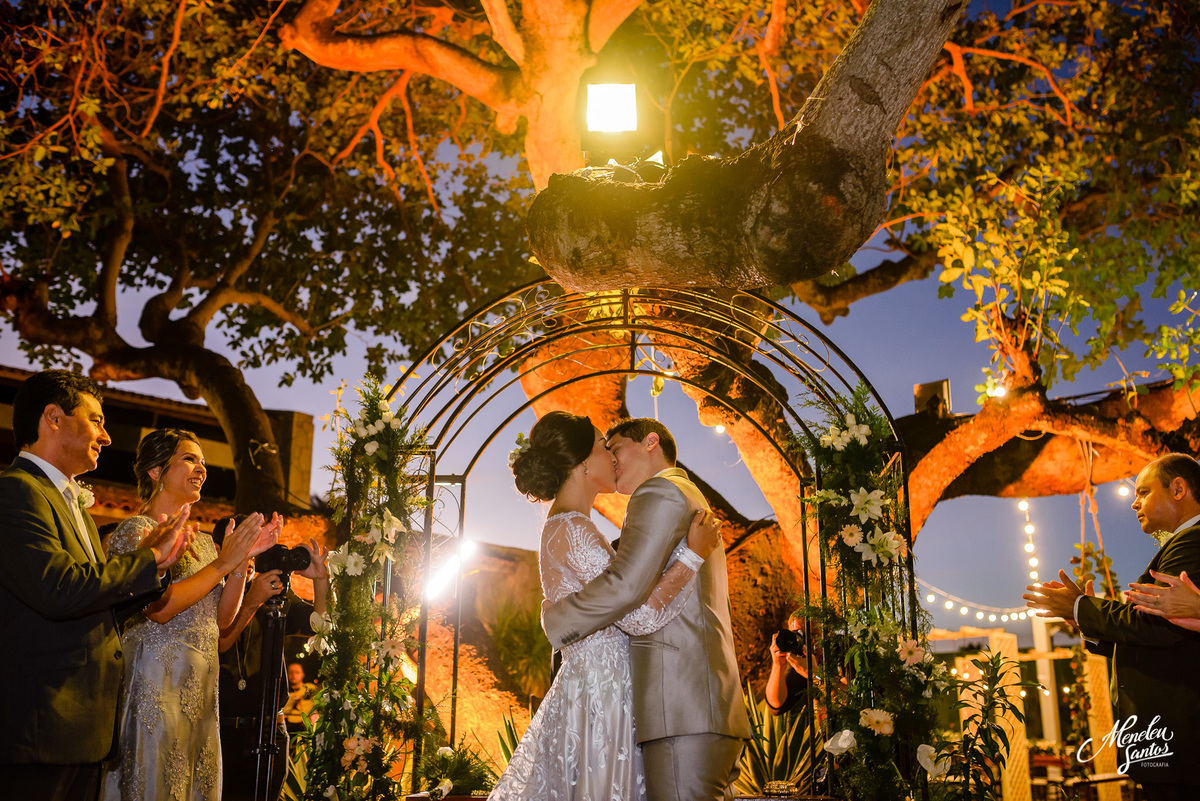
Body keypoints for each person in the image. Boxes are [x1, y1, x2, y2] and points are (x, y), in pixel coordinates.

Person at [490, 411, 722, 801]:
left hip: (595, 688)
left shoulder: (566, 526)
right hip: (604, 697)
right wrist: (692, 558)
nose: (611, 456)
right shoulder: (573, 530)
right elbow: (640, 616)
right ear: (582, 464)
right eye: (603, 446)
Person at [0, 369, 193, 801]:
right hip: (40, 727)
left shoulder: (76, 508)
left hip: (80, 731)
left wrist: (155, 573)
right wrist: (145, 561)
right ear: (53, 417)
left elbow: (93, 604)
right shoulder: (16, 491)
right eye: (96, 420)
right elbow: (57, 588)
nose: (106, 436)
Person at [541, 417, 751, 801]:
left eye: (615, 447)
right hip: (694, 702)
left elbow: (626, 589)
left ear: (650, 442)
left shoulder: (659, 492)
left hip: (682, 705)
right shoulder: (684, 495)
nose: (611, 458)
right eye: (604, 449)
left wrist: (557, 618)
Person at [101, 429, 280, 801]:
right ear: (155, 471)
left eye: (202, 461)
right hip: (156, 687)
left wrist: (240, 560)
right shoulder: (135, 532)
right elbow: (159, 610)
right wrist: (225, 563)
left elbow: (222, 620)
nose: (201, 468)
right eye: (189, 458)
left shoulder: (201, 543)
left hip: (200, 695)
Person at [1023, 453, 1200, 801]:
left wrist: (1081, 607)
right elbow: (1162, 633)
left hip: (1180, 738)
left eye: (1144, 492)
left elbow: (1159, 626)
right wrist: (1086, 620)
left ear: (1178, 488)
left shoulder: (1191, 541)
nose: (1135, 503)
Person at [217, 535, 329, 801]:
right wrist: (252, 600)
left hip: (270, 730)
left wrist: (321, 580)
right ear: (219, 550)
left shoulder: (275, 593)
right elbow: (220, 641)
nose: (250, 560)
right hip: (221, 732)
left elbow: (322, 626)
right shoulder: (209, 595)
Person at [280, 663, 317, 733]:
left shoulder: (310, 688)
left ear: (302, 674)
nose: (293, 675)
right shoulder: (284, 692)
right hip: (289, 725)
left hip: (307, 724)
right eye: (290, 673)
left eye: (297, 672)